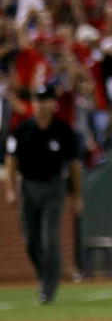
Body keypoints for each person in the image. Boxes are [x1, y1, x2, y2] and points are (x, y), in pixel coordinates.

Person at [4, 84, 83, 304]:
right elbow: (11, 161)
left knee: (50, 239)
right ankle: (45, 275)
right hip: (28, 186)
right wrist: (11, 189)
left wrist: (77, 196)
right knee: (31, 240)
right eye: (37, 100)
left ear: (52, 103)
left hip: (54, 187)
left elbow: (74, 165)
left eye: (44, 100)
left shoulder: (63, 130)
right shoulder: (22, 129)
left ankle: (48, 289)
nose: (40, 105)